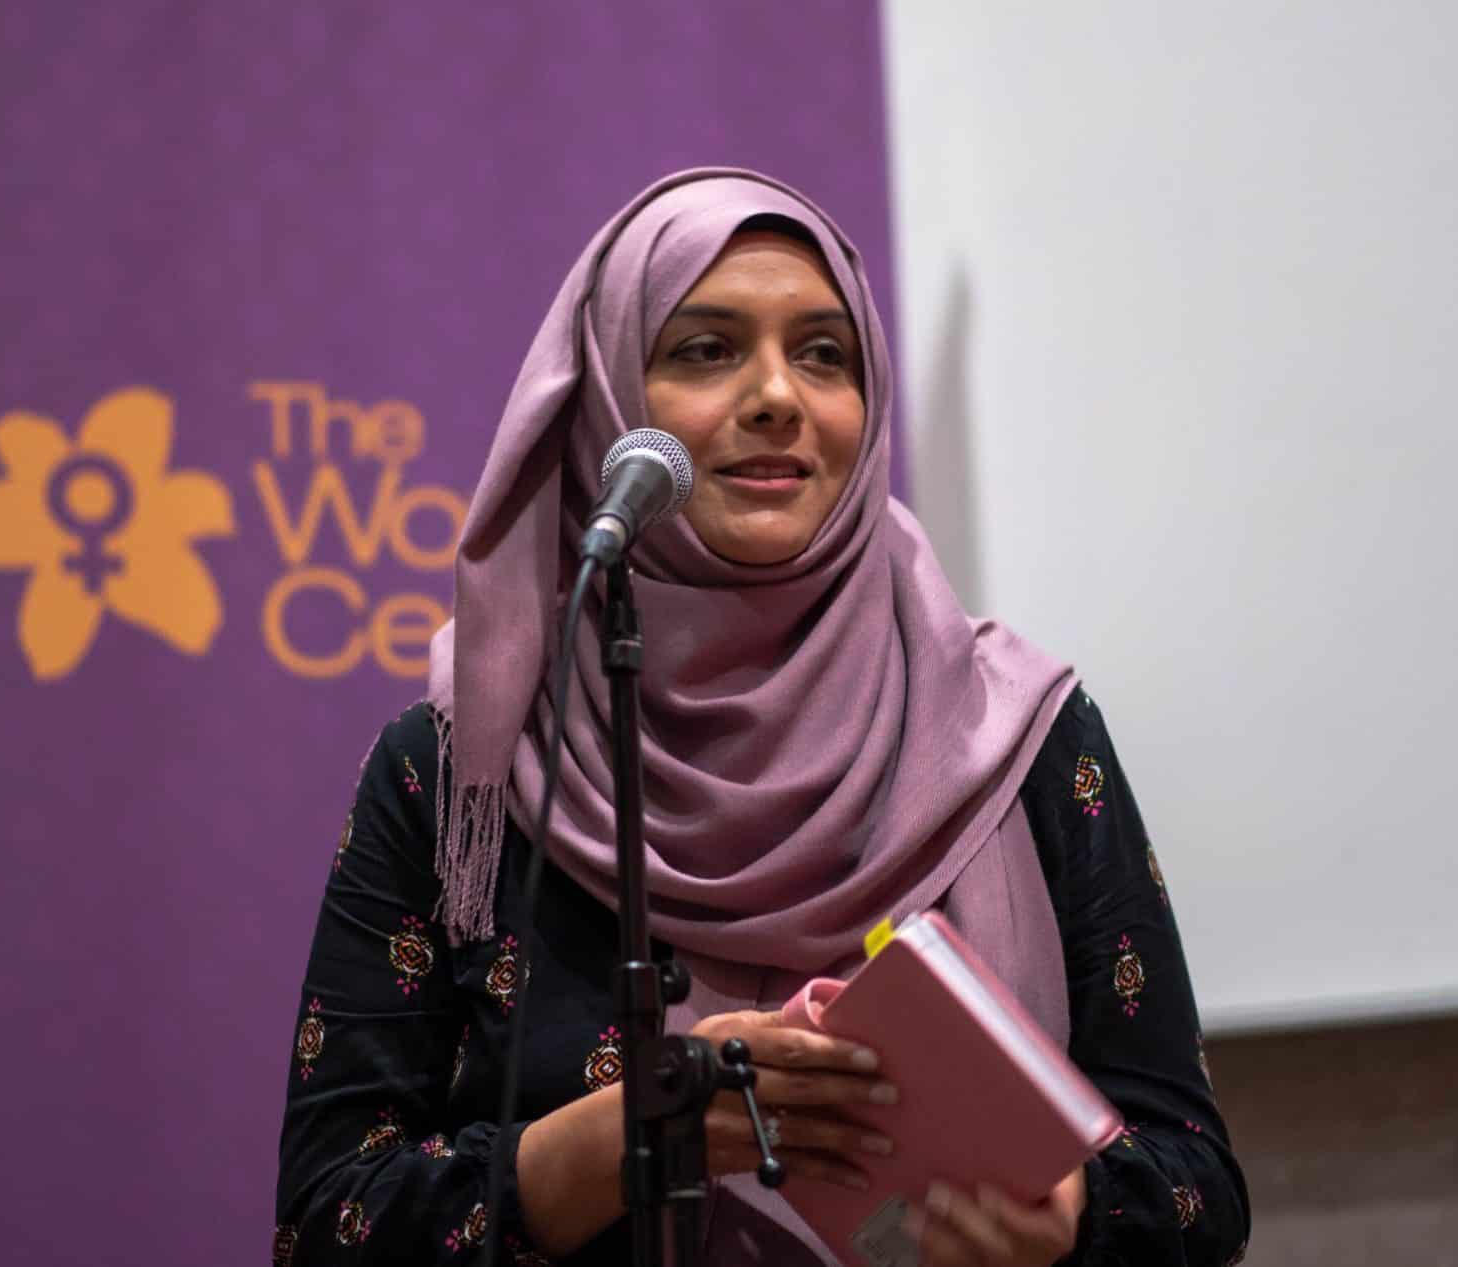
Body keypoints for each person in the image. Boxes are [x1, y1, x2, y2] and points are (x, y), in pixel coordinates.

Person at [274, 168, 1249, 1267]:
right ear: (603, 394)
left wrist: (1067, 1214)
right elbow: (325, 1223)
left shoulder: (1019, 735)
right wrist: (620, 1141)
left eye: (824, 354)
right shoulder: (467, 771)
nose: (778, 394)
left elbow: (1197, 1187)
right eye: (704, 348)